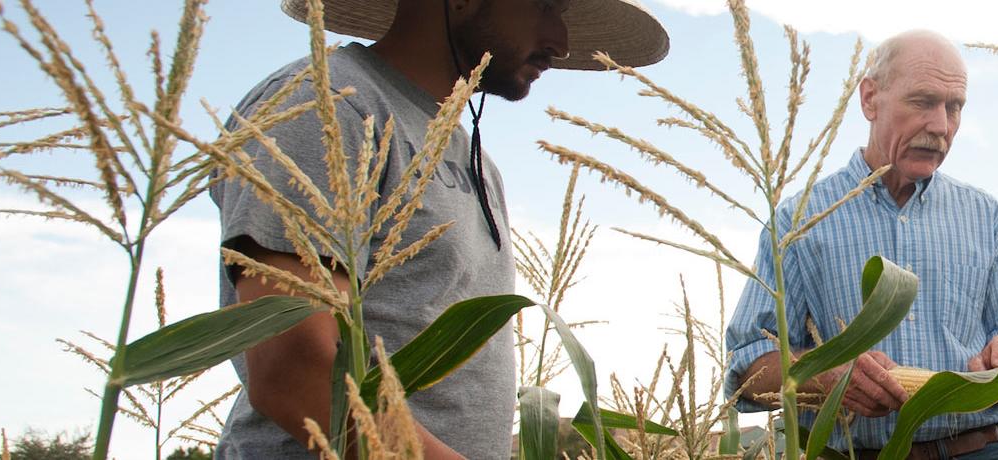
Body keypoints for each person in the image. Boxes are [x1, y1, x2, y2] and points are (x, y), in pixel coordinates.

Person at [213, 0, 669, 458]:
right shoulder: (327, 107)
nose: (562, 43)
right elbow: (293, 373)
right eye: (545, 6)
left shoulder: (474, 159)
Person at [723, 30, 998, 459]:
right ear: (870, 99)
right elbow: (749, 360)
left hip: (977, 449)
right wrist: (825, 374)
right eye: (923, 102)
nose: (941, 126)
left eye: (954, 107)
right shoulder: (799, 221)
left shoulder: (986, 216)